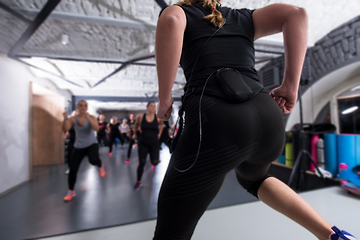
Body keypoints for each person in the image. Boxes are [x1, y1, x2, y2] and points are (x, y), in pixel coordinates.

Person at [154, 1, 358, 240]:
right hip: (267, 115)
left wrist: (164, 98)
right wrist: (291, 87)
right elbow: (296, 15)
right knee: (256, 178)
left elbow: (170, 21)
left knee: (171, 232)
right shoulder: (243, 17)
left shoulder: (180, 11)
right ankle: (332, 235)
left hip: (218, 117)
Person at [62, 100, 106, 202]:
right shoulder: (73, 119)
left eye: (85, 106)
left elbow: (96, 129)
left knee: (93, 160)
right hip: (79, 146)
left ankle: (100, 165)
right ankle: (71, 190)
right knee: (73, 169)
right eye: (81, 105)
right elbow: (65, 128)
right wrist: (65, 119)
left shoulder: (92, 117)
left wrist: (88, 118)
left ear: (87, 108)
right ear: (77, 107)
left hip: (91, 144)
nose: (83, 107)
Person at [132, 102, 164, 190]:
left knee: (154, 161)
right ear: (147, 107)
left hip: (154, 143)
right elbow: (136, 124)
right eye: (151, 106)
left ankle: (154, 162)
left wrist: (160, 134)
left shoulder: (158, 118)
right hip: (143, 143)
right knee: (141, 163)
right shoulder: (141, 116)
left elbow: (161, 125)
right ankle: (138, 182)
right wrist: (135, 133)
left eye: (154, 106)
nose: (153, 107)